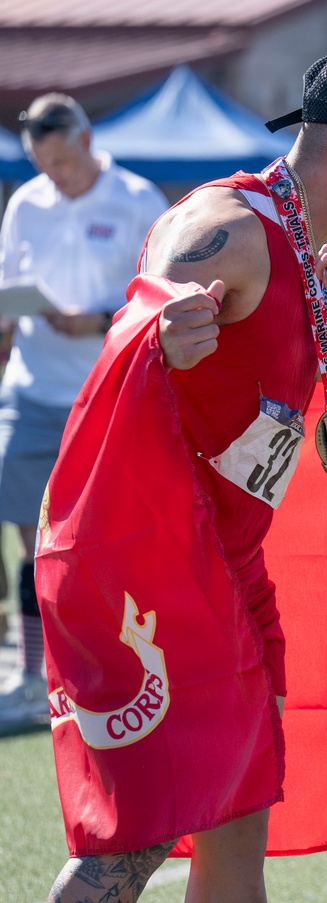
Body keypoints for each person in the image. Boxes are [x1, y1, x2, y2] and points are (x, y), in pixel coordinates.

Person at [35, 45, 327, 903]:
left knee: (237, 825)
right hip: (156, 577)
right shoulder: (231, 225)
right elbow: (153, 303)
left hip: (228, 576)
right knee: (136, 840)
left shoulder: (301, 237)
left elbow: (291, 348)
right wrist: (163, 331)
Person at [0, 93, 168, 725]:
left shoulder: (138, 199)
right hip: (32, 389)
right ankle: (32, 675)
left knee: (103, 542)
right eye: (43, 165)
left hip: (107, 396)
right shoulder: (25, 203)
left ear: (88, 141)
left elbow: (158, 297)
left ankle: (112, 672)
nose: (54, 176)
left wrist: (95, 321)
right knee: (29, 539)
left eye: (62, 163)